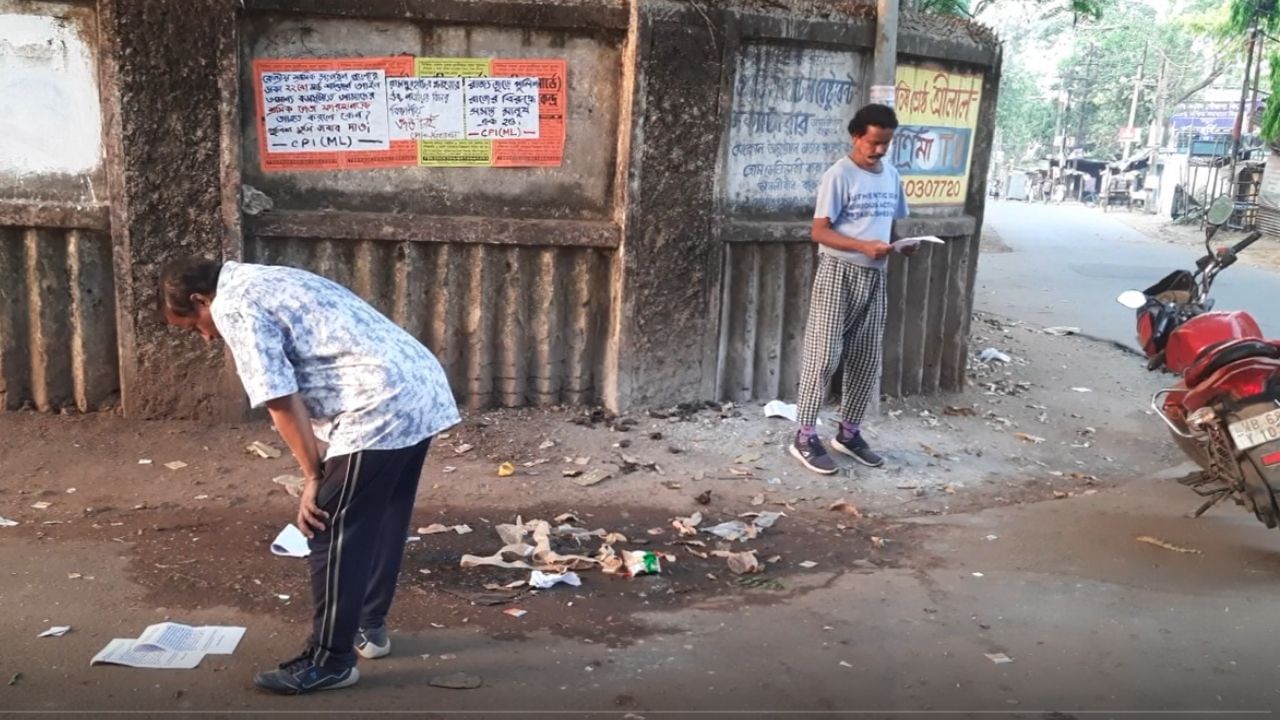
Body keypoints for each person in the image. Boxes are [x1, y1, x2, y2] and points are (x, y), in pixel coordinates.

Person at [158, 258, 460, 694]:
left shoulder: (234, 304)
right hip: (418, 386)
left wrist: (313, 477)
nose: (206, 337)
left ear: (200, 300)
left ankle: (329, 660)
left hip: (377, 404)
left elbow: (279, 398)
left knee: (327, 523)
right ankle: (368, 628)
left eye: (194, 326)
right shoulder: (265, 276)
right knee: (380, 517)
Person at [790, 103, 912, 475]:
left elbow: (891, 224)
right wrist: (862, 246)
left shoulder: (891, 175)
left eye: (885, 144)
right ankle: (804, 435)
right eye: (872, 142)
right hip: (838, 274)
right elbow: (819, 231)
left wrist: (903, 243)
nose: (878, 150)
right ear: (856, 136)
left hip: (875, 277)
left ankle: (848, 432)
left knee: (865, 359)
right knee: (824, 355)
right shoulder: (838, 175)